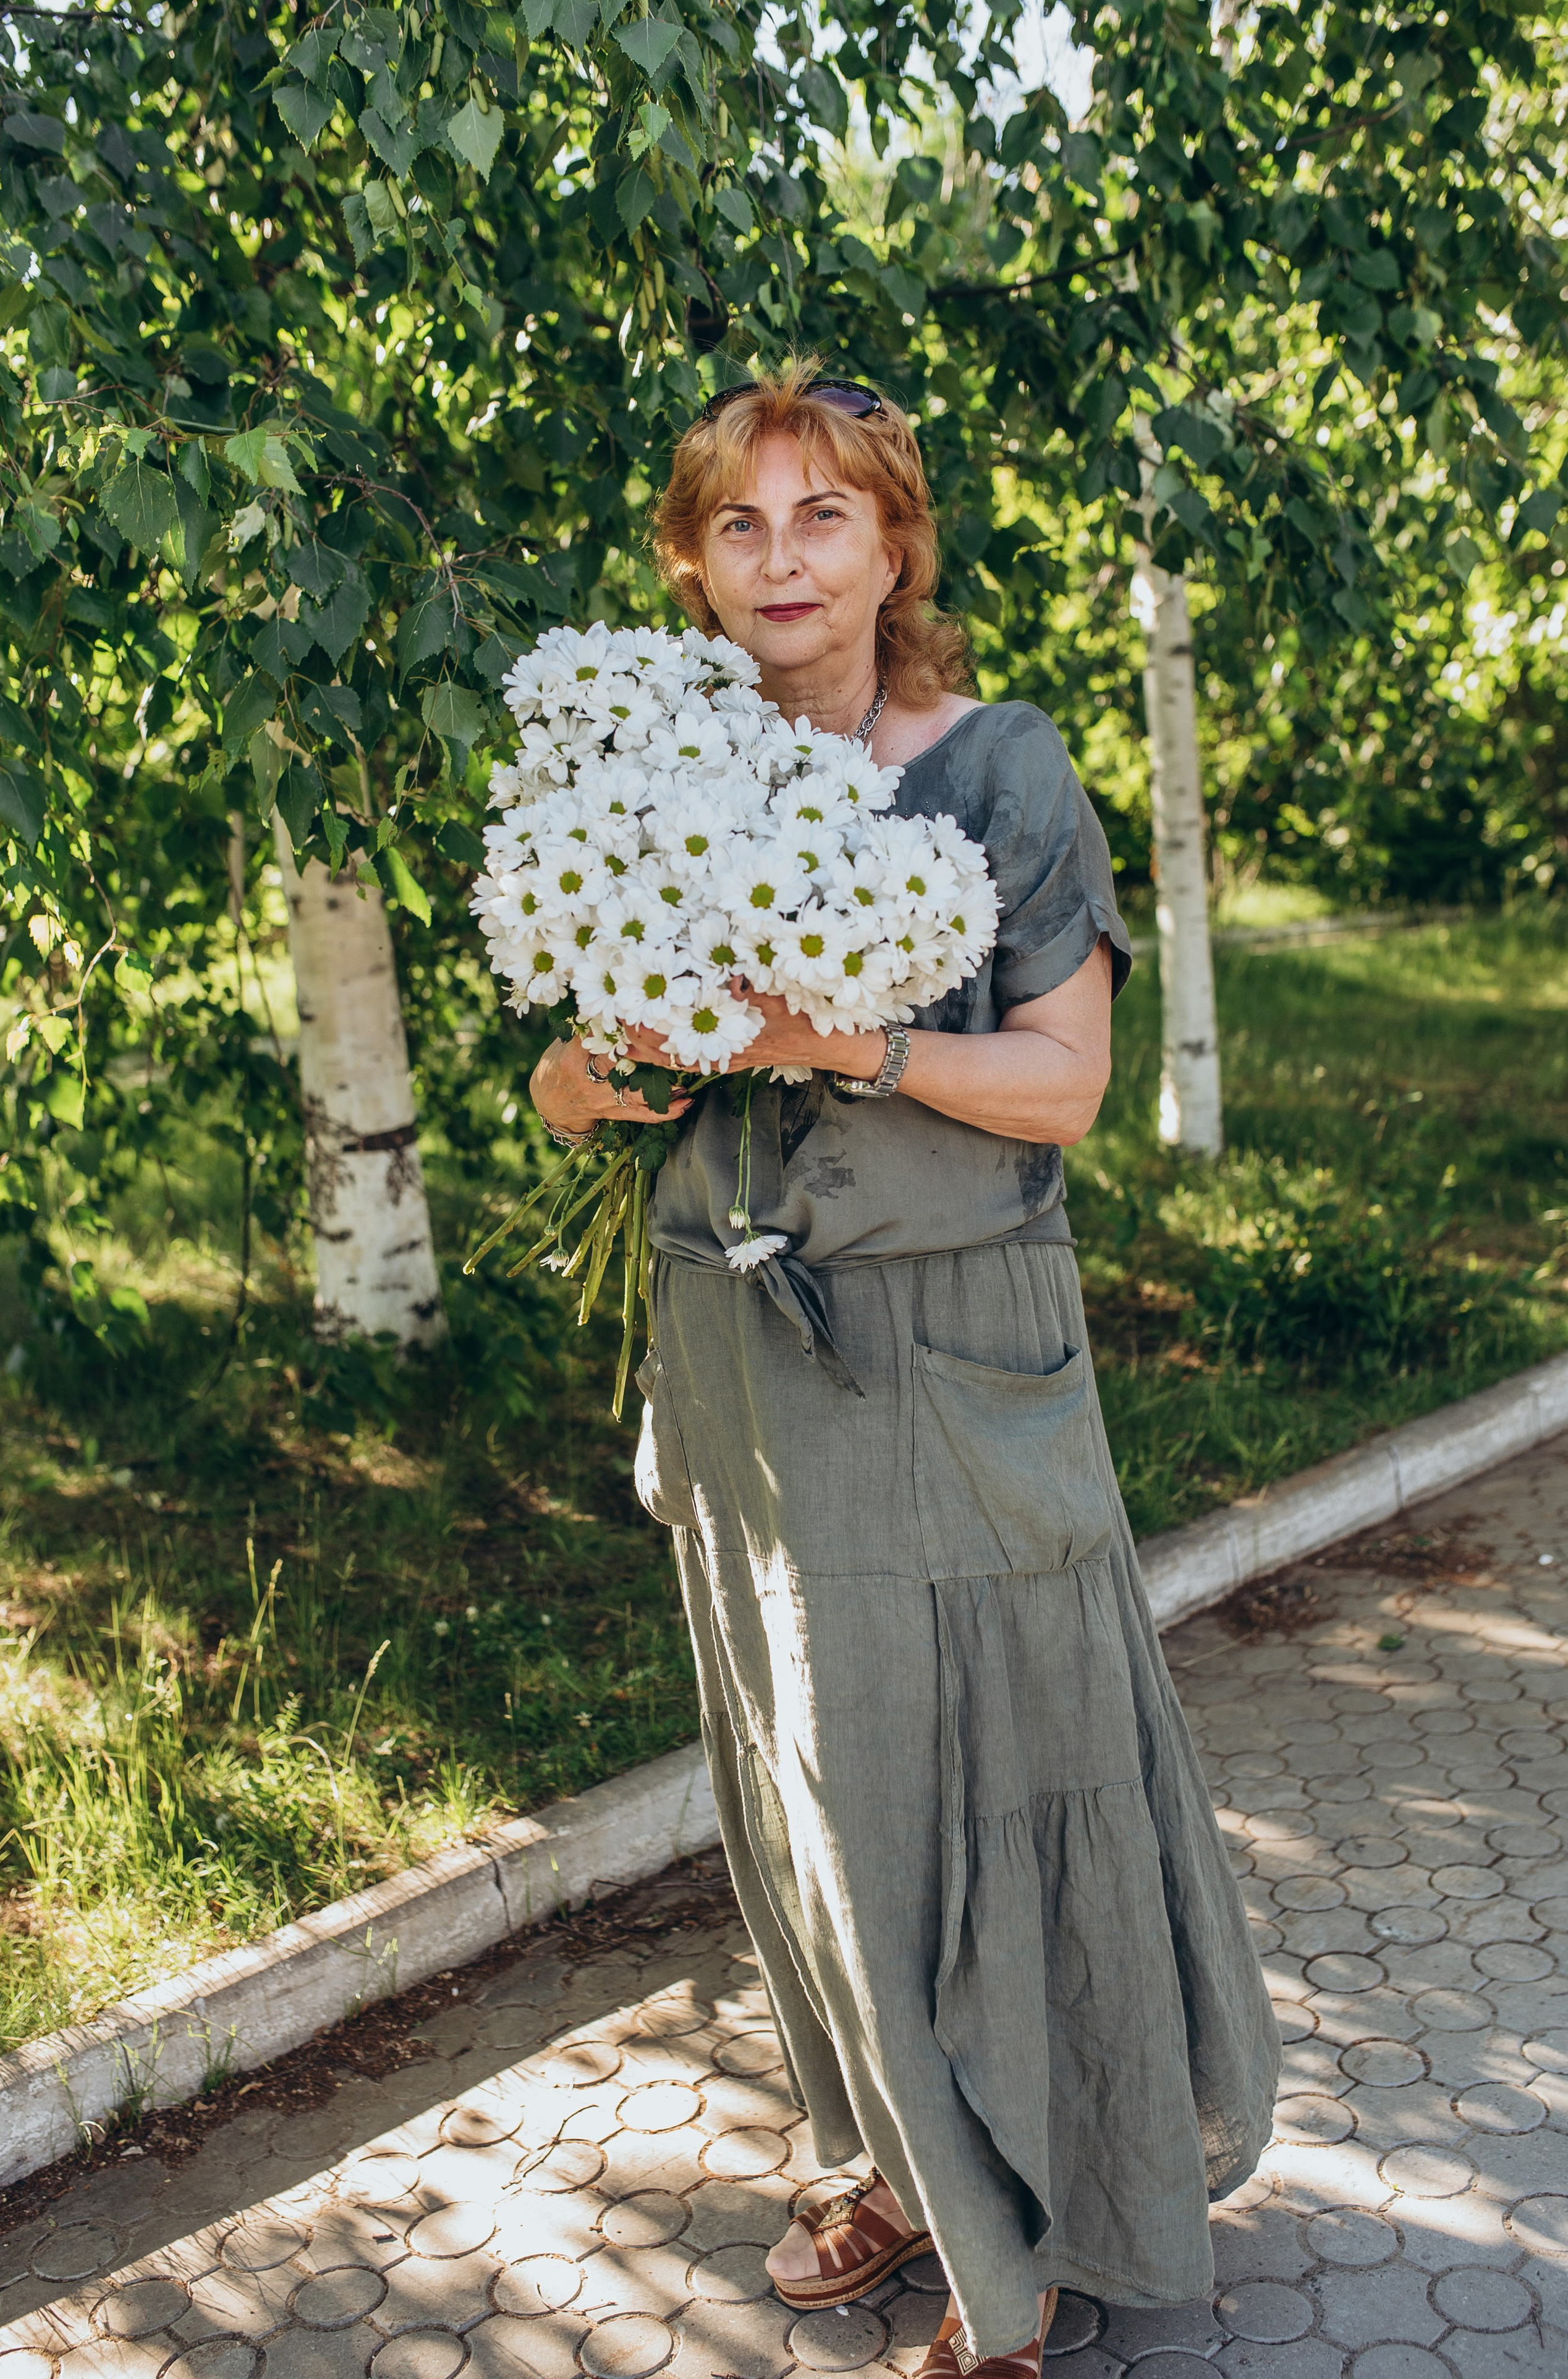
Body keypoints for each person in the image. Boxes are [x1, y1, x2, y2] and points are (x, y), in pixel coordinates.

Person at [527, 358, 1279, 2377]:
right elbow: (557, 1077)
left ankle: (1023, 2247)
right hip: (743, 1369)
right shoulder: (635, 776)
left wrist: (830, 1042)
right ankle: (890, 2160)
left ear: (893, 546)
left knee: (988, 1785)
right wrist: (619, 1068)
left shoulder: (997, 768)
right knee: (818, 1800)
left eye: (824, 515)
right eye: (742, 525)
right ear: (693, 566)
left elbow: (1065, 1085)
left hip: (953, 1358)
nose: (784, 559)